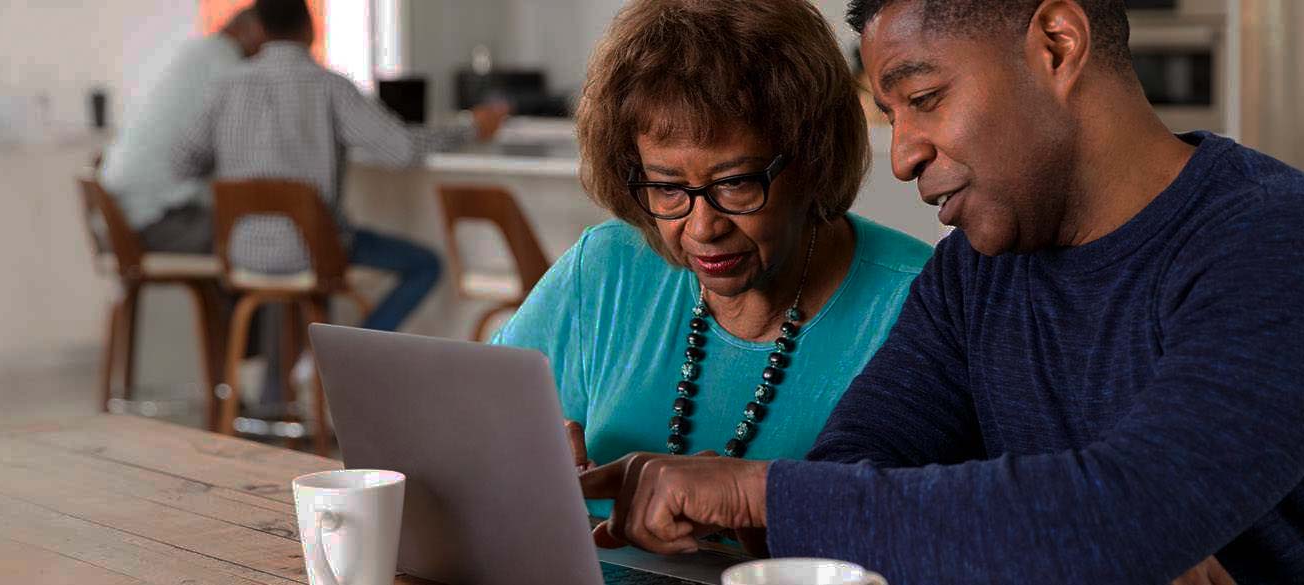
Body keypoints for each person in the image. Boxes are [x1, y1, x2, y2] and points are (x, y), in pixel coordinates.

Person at [577, 1, 1304, 583]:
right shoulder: (975, 273)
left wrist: (755, 491)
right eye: (890, 114)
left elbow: (1127, 516)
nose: (902, 155)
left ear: (1057, 44)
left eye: (923, 99)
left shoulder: (1288, 240)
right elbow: (850, 472)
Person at [491, 0, 932, 524]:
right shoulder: (605, 267)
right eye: (667, 188)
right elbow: (468, 427)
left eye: (736, 183)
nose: (702, 228)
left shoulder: (922, 302)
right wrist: (507, 457)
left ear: (813, 158)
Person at [171, 0, 508, 333]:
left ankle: (300, 375)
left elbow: (182, 162)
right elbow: (402, 149)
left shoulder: (223, 88)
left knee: (296, 277)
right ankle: (347, 354)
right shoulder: (329, 87)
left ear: (257, 29)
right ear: (310, 29)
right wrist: (472, 128)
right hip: (314, 252)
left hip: (241, 254)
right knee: (425, 264)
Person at [99, 9, 264, 253]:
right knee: (269, 242)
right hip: (155, 221)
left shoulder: (195, 53)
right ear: (255, 31)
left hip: (123, 215)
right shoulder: (227, 67)